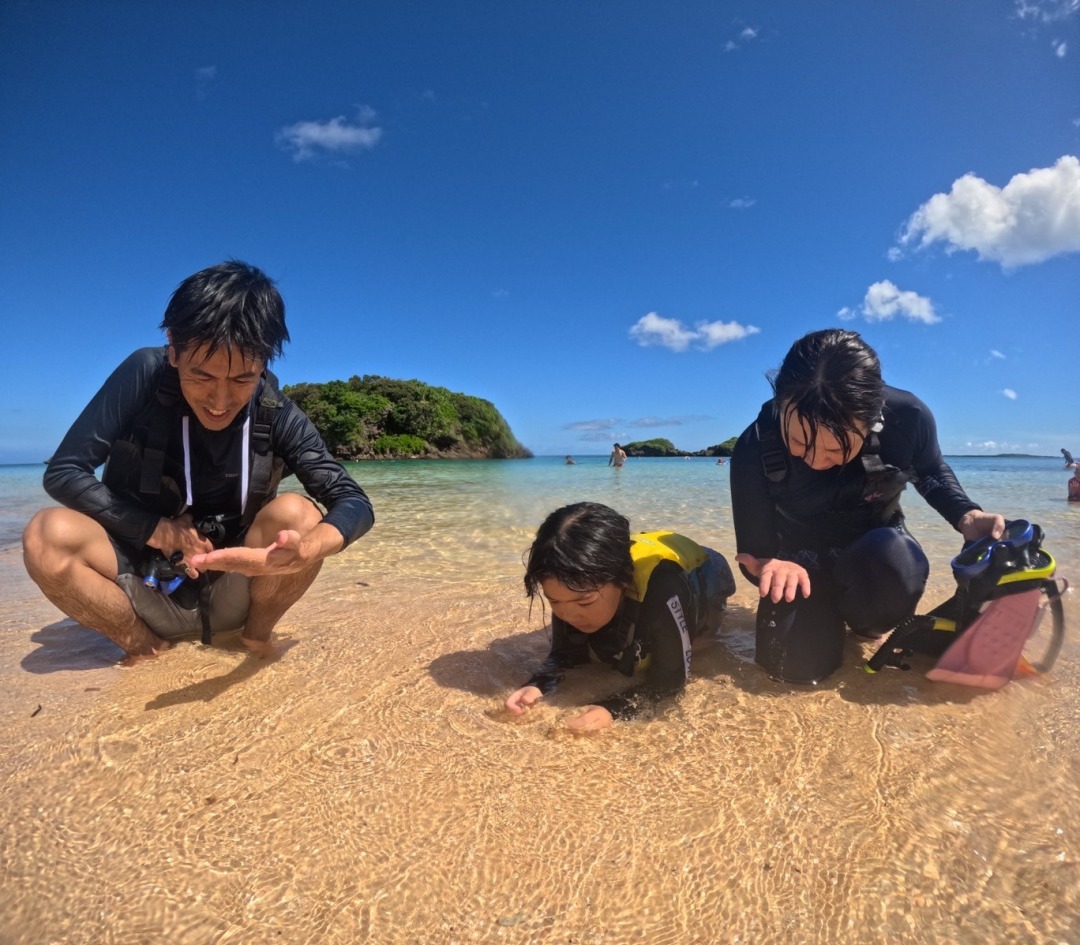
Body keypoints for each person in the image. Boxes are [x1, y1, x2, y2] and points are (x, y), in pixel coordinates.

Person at [22, 261, 374, 664]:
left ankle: (256, 639)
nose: (220, 402)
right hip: (142, 581)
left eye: (242, 379)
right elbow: (65, 471)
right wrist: (156, 529)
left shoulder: (275, 411)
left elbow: (353, 501)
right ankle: (143, 650)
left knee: (301, 516)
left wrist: (306, 550)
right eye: (202, 376)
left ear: (264, 361)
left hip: (235, 588)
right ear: (172, 347)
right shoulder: (144, 376)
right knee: (45, 535)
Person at [730, 328, 1004, 685]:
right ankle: (819, 618)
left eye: (834, 449)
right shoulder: (754, 446)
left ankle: (864, 626)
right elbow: (754, 555)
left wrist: (966, 514)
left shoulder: (909, 418)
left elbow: (930, 472)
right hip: (799, 562)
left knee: (894, 566)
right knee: (791, 672)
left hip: (874, 551)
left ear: (874, 418)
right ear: (781, 403)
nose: (814, 459)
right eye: (798, 442)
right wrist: (768, 563)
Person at [503, 502, 735, 731]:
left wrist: (612, 710)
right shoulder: (570, 586)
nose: (567, 614)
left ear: (624, 578)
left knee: (702, 642)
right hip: (616, 566)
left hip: (708, 570)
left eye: (584, 601)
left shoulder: (663, 585)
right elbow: (564, 655)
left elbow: (671, 680)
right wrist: (539, 684)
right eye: (554, 600)